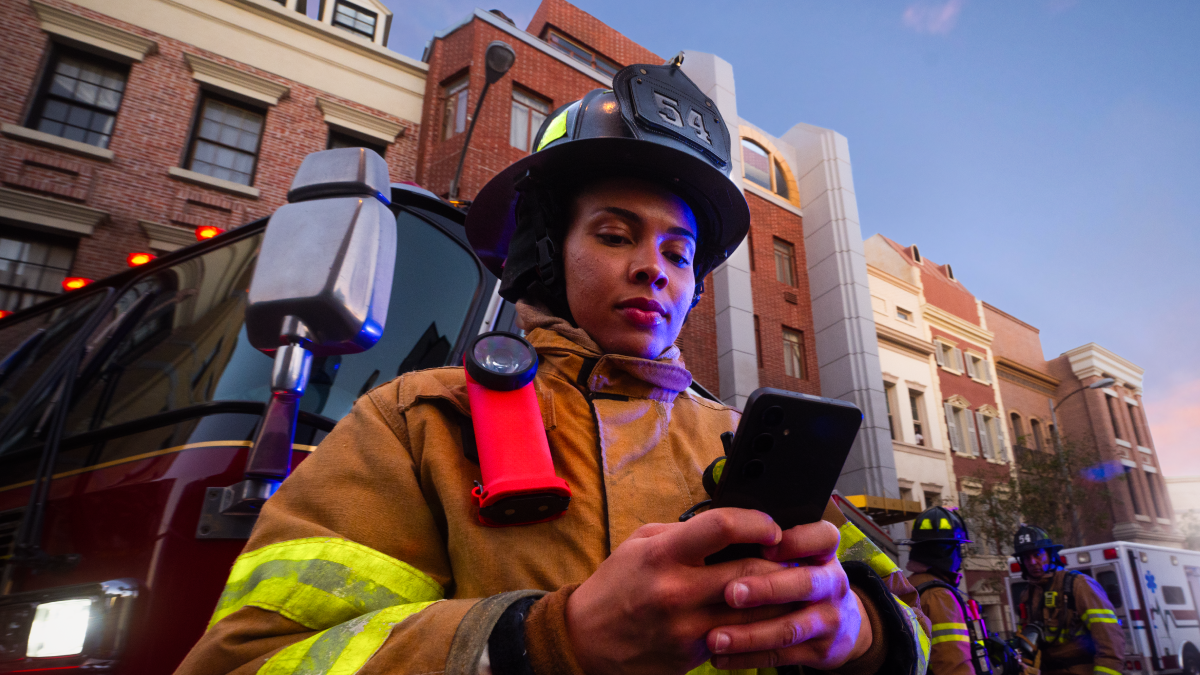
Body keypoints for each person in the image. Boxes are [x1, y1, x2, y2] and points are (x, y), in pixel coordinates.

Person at [174, 62, 930, 675]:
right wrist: (543, 640)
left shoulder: (745, 440)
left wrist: (861, 634)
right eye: (613, 234)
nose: (653, 269)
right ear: (544, 252)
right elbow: (247, 661)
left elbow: (916, 622)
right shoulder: (416, 422)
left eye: (677, 252)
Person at [1013, 525, 1124, 675]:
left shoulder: (1078, 585)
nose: (1032, 562)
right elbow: (1028, 641)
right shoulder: (1027, 595)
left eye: (1037, 554)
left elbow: (1110, 643)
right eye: (1026, 558)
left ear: (1050, 554)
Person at [902, 506, 988, 675]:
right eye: (958, 548)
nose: (960, 556)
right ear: (947, 552)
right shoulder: (939, 596)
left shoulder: (907, 587)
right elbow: (954, 665)